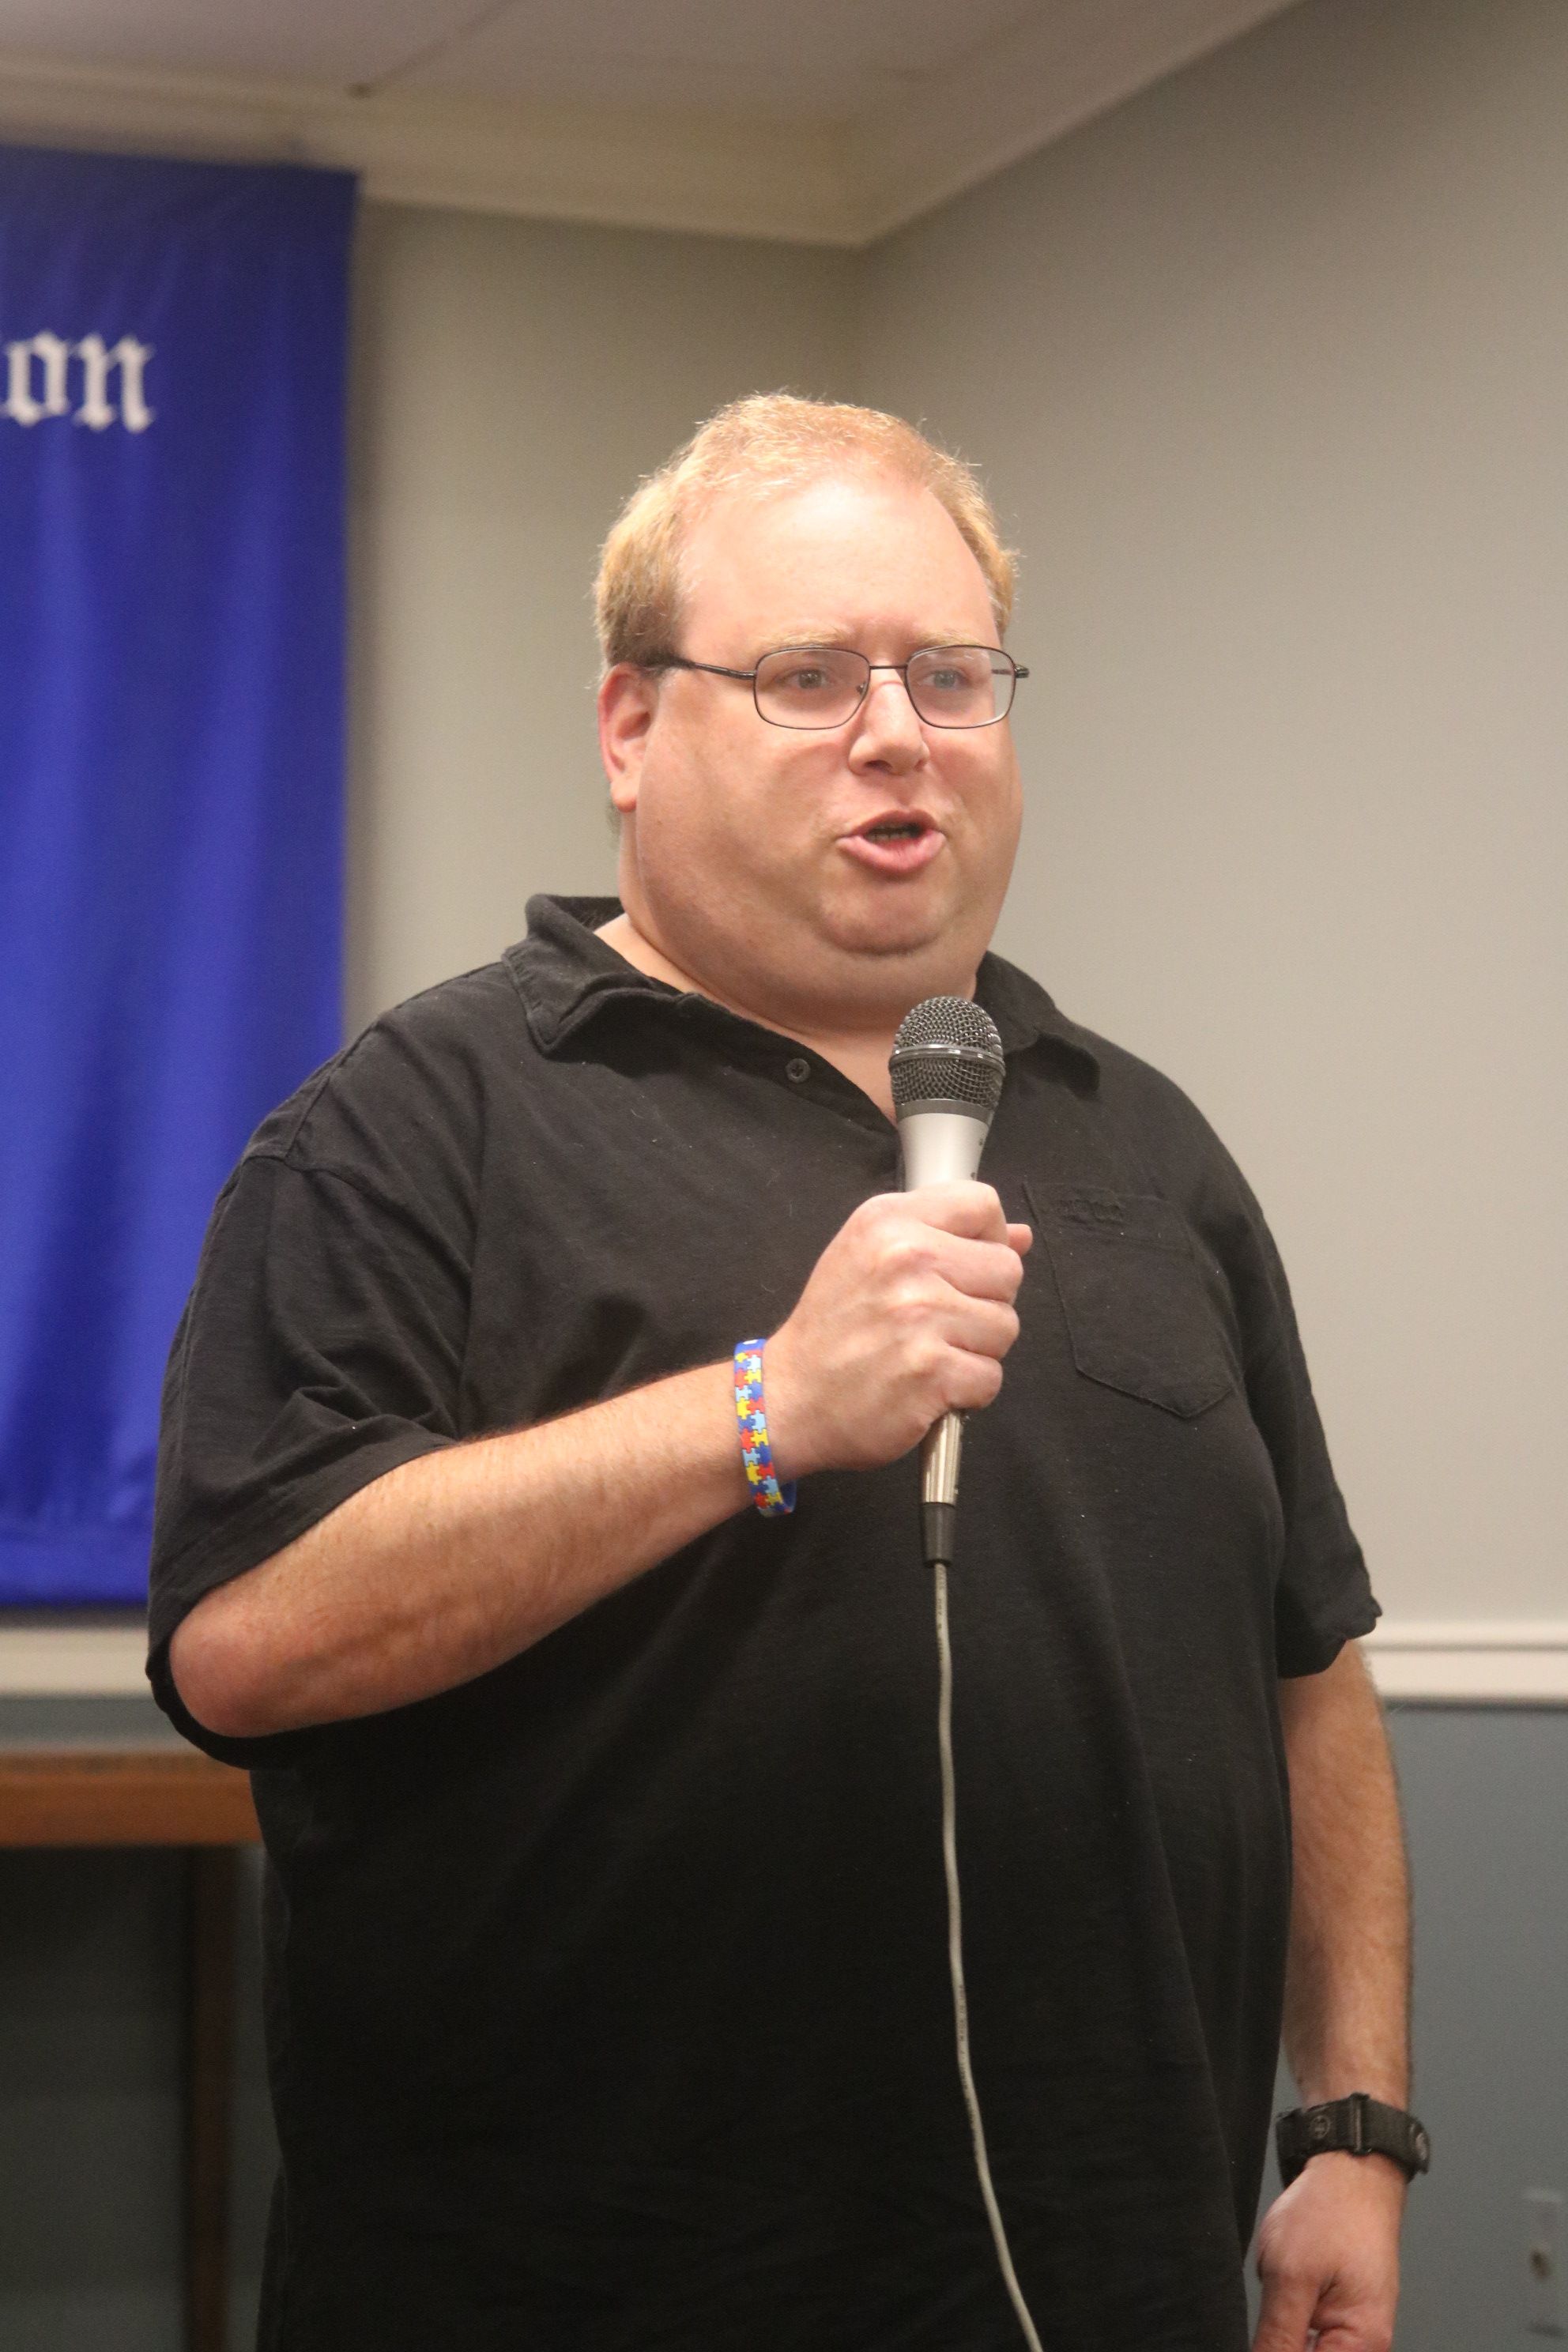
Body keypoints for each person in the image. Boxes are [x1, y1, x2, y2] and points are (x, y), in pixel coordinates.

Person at [150, 394, 1417, 2351]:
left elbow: (1304, 1664)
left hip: (1115, 2279)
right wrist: (760, 1410)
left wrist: (1349, 2125)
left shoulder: (1147, 1148)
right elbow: (245, 1639)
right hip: (576, 2293)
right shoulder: (416, 1128)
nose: (896, 733)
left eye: (950, 675)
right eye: (807, 677)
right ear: (629, 730)